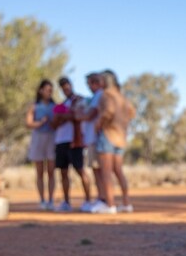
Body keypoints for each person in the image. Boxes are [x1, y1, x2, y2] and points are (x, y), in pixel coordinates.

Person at [90, 70, 136, 214]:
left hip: (108, 135)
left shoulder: (106, 95)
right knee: (118, 171)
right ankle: (126, 203)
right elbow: (131, 112)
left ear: (104, 81)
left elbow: (108, 111)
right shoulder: (122, 97)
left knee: (106, 172)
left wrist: (99, 123)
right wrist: (122, 124)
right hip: (120, 137)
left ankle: (110, 205)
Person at [51, 76, 92, 211]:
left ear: (71, 85)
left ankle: (88, 200)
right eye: (63, 87)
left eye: (67, 86)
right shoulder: (61, 105)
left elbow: (77, 115)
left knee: (80, 170)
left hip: (75, 141)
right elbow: (54, 123)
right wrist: (63, 116)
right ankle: (66, 202)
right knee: (63, 172)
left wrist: (63, 116)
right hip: (61, 141)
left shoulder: (80, 100)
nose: (65, 89)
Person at [25, 79, 56, 210]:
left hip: (51, 137)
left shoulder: (55, 106)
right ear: (41, 90)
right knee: (40, 172)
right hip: (38, 137)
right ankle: (42, 200)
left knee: (51, 171)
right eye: (47, 89)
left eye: (51, 90)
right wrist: (41, 122)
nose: (49, 92)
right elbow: (28, 123)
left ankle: (51, 200)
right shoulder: (34, 106)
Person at [81, 72, 104, 211]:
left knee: (99, 170)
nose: (89, 87)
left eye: (89, 83)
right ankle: (101, 197)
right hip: (91, 138)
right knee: (96, 169)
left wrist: (79, 115)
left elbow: (91, 115)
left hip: (95, 138)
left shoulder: (99, 95)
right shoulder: (94, 97)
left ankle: (103, 198)